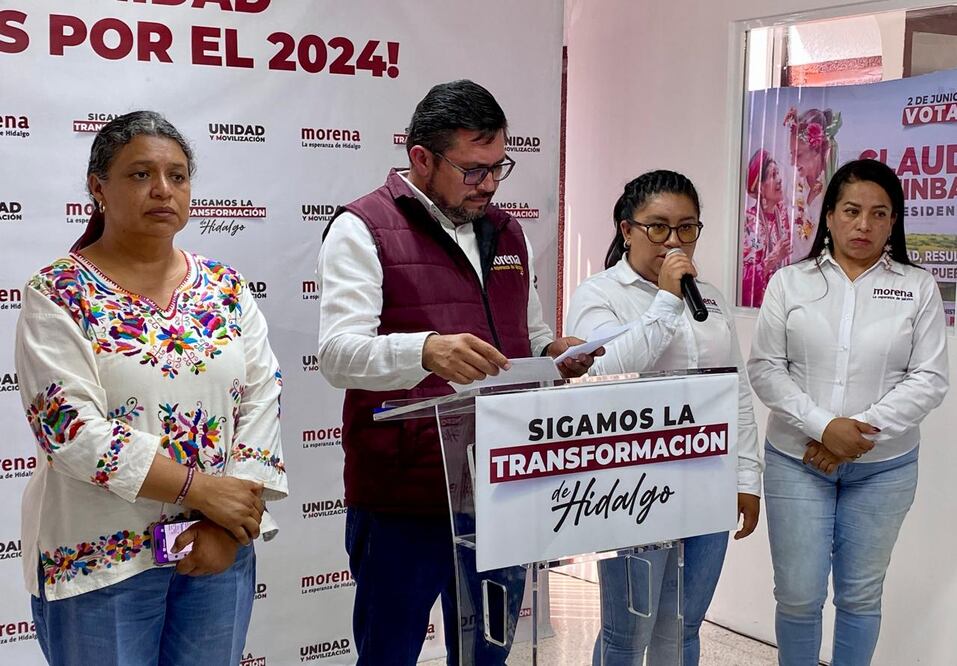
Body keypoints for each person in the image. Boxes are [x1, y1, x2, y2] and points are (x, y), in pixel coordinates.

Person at [316, 79, 598, 665]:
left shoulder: (508, 231)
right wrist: (423, 351)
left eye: (499, 167)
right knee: (388, 653)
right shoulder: (361, 227)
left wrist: (555, 356)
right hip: (404, 497)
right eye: (474, 170)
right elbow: (339, 354)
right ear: (421, 157)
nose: (490, 184)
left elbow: (532, 334)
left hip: (501, 485)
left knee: (487, 655)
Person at [15, 111, 288, 666]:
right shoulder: (59, 292)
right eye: (140, 174)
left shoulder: (224, 286)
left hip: (216, 548)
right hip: (101, 559)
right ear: (98, 188)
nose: (163, 190)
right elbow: (70, 431)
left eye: (178, 175)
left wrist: (223, 522)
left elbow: (262, 397)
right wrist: (199, 490)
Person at [748, 158, 948, 665]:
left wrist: (855, 436)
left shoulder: (917, 287)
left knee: (860, 596)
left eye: (880, 214)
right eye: (852, 211)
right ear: (829, 216)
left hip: (884, 470)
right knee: (797, 595)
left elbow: (929, 378)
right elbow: (767, 368)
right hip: (798, 461)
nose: (865, 225)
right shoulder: (789, 282)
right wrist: (824, 428)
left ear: (894, 221)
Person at [565, 170, 762, 665]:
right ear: (626, 229)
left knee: (685, 626)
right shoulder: (599, 294)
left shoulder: (709, 296)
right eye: (658, 227)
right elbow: (606, 367)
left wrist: (746, 476)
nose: (673, 241)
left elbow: (734, 389)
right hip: (632, 486)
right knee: (628, 633)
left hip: (707, 478)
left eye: (687, 227)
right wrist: (667, 301)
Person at [784, 107, 841, 263]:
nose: (792, 162)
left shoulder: (834, 187)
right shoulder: (793, 189)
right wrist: (807, 202)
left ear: (817, 150)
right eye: (792, 155)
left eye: (799, 155)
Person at [741, 149, 790, 307]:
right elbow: (741, 278)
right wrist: (772, 259)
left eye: (778, 173)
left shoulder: (782, 216)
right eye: (773, 175)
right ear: (760, 187)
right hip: (759, 308)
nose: (779, 180)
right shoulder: (749, 222)